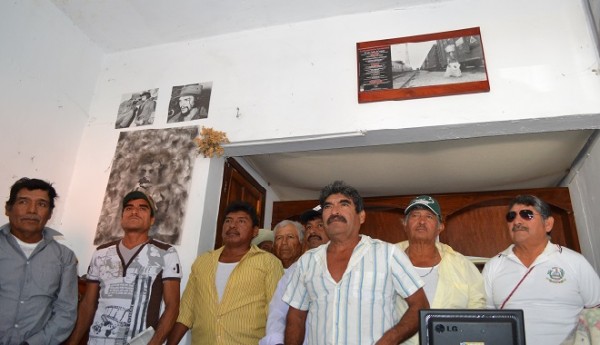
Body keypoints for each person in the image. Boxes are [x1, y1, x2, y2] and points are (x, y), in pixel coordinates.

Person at [283, 181, 429, 345]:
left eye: (344, 204)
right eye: (328, 206)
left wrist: (389, 340)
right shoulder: (307, 261)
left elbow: (420, 305)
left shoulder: (388, 254)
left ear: (361, 216)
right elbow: (296, 317)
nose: (335, 211)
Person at [67, 190, 182, 345]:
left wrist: (155, 343)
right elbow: (88, 303)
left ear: (152, 220)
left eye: (142, 208)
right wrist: (73, 342)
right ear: (122, 217)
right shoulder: (101, 253)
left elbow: (173, 306)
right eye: (129, 208)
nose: (134, 211)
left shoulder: (166, 253)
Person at [483, 195, 600, 344]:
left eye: (527, 214)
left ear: (548, 224)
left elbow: (596, 313)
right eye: (511, 216)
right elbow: (486, 319)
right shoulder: (493, 266)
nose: (517, 221)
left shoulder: (575, 262)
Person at [168, 201, 283, 345]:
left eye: (241, 221)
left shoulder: (269, 263)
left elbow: (276, 314)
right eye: (228, 221)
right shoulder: (203, 262)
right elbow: (186, 313)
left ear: (255, 231)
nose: (233, 226)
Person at [396, 195, 485, 344]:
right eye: (415, 216)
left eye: (429, 216)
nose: (422, 221)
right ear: (404, 224)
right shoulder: (386, 260)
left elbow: (479, 310)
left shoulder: (461, 264)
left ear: (440, 227)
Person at [0, 177, 78, 345]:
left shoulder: (65, 257)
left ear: (50, 214)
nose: (32, 210)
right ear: (8, 208)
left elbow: (66, 311)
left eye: (42, 204)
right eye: (23, 202)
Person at [259, 220, 305, 345]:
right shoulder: (263, 271)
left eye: (290, 237)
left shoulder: (305, 271)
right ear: (274, 244)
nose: (284, 243)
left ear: (301, 242)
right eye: (279, 238)